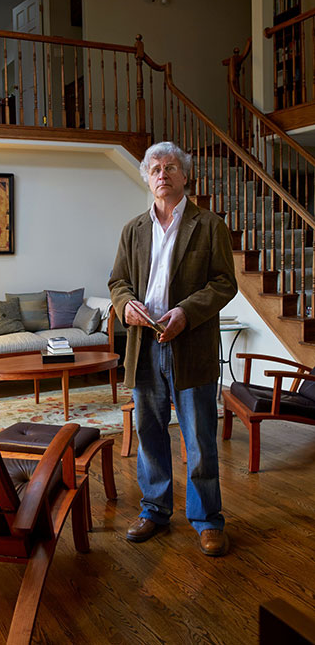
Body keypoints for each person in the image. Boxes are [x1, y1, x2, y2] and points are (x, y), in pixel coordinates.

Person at [109, 141, 237, 556]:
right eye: (155, 169)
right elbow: (118, 281)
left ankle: (206, 519)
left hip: (191, 344)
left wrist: (185, 312)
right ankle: (155, 510)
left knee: (198, 434)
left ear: (185, 175)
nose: (162, 174)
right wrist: (125, 304)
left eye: (170, 167)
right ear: (147, 178)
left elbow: (223, 282)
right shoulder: (133, 229)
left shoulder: (209, 225)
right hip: (144, 344)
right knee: (149, 433)